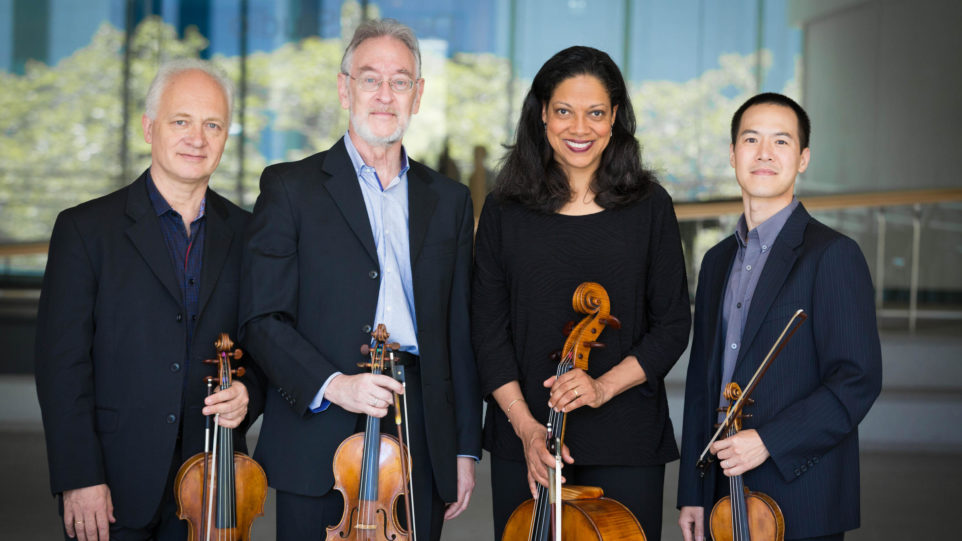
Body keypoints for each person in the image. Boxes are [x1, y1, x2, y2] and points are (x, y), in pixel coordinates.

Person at [239, 18, 481, 541]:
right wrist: (335, 385)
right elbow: (263, 318)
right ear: (344, 87)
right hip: (319, 425)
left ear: (418, 96)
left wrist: (464, 446)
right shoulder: (289, 187)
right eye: (371, 78)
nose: (385, 95)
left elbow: (459, 332)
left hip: (419, 426)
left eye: (400, 82)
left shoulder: (451, 201)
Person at [34, 59, 264, 541]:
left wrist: (250, 393)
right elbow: (62, 367)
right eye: (181, 121)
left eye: (212, 125)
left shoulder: (250, 234)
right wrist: (79, 477)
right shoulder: (84, 230)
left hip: (213, 484)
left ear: (226, 137)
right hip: (112, 485)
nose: (196, 138)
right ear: (148, 127)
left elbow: (266, 340)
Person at [472, 46, 692, 541]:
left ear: (615, 117)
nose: (580, 128)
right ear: (542, 115)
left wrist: (603, 386)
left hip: (627, 439)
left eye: (596, 113)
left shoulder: (650, 206)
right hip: (525, 435)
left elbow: (674, 323)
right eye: (564, 112)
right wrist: (527, 428)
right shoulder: (505, 211)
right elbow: (487, 332)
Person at [677, 93, 883, 541]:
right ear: (733, 154)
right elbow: (701, 385)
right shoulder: (715, 261)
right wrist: (692, 490)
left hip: (801, 493)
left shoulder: (833, 254)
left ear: (803, 158)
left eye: (782, 141)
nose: (765, 153)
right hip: (720, 497)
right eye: (751, 139)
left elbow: (857, 379)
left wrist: (769, 440)